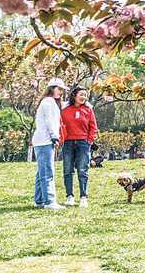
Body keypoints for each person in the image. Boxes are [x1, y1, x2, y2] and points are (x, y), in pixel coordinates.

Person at [31, 78, 67, 210]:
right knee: (47, 171)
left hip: (42, 140)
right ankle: (49, 201)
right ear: (52, 88)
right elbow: (50, 122)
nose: (61, 92)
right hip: (45, 140)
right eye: (59, 89)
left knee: (41, 171)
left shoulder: (48, 102)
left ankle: (39, 200)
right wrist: (55, 137)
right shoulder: (49, 103)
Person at [61, 87, 98, 208]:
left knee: (82, 170)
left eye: (85, 95)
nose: (84, 97)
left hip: (83, 143)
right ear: (74, 95)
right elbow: (60, 125)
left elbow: (93, 127)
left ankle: (83, 197)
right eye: (81, 94)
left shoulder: (88, 110)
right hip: (68, 143)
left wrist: (89, 140)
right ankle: (69, 196)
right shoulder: (65, 109)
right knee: (68, 170)